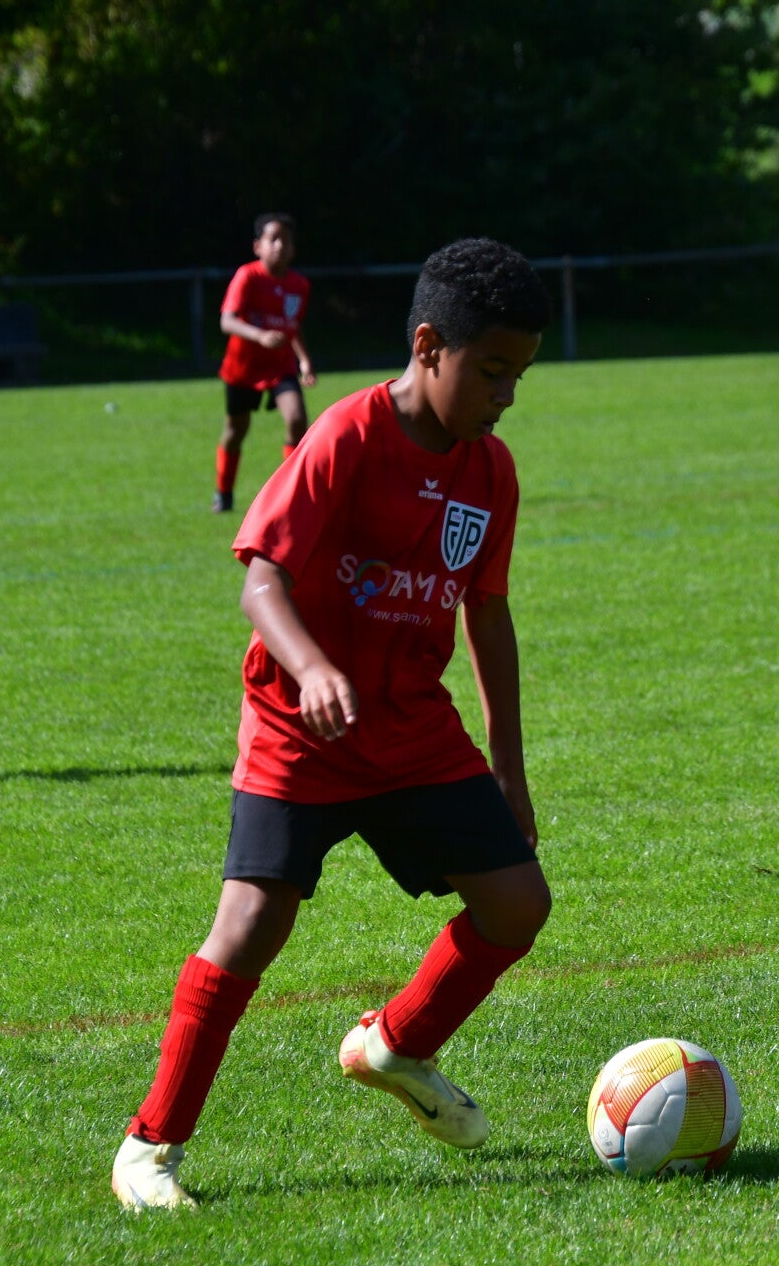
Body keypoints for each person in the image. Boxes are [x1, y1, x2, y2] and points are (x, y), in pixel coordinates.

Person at [112, 238, 553, 1210]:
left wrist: (510, 771)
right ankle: (149, 1146)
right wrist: (312, 668)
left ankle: (395, 1044)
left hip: (410, 725)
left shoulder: (491, 470)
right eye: (491, 371)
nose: (506, 395)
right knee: (251, 924)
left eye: (518, 375)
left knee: (518, 902)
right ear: (428, 346)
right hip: (300, 728)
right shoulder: (347, 436)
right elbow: (261, 581)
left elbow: (487, 613)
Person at [214, 213, 317, 513]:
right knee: (236, 431)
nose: (280, 246)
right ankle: (224, 493)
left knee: (297, 419)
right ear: (257, 246)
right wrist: (260, 336)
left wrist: (304, 360)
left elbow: (293, 326)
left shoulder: (300, 285)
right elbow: (227, 321)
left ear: (293, 249)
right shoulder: (248, 276)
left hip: (279, 367)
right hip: (242, 368)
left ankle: (292, 496)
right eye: (273, 239)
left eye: (286, 241)